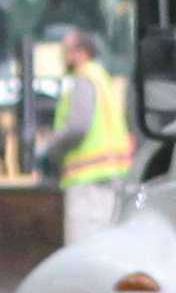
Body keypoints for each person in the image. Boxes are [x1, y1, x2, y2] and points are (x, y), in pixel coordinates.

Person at [47, 25, 134, 245]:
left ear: (81, 52)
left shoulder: (84, 78)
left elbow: (77, 127)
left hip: (88, 183)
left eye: (67, 50)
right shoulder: (102, 77)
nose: (63, 57)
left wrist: (51, 150)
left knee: (81, 249)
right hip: (110, 179)